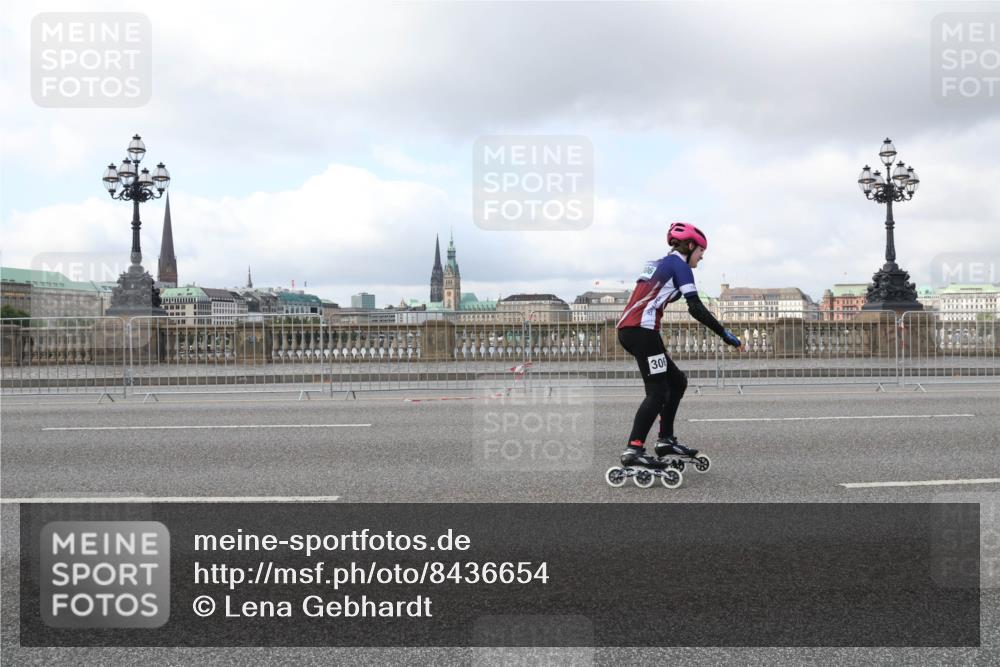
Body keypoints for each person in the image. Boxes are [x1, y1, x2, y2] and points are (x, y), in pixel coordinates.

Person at [615, 222, 743, 471]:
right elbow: (695, 307)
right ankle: (633, 449)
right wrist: (724, 334)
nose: (702, 257)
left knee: (677, 382)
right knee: (657, 392)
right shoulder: (679, 266)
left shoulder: (659, 264)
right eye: (701, 251)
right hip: (642, 332)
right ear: (691, 245)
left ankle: (665, 440)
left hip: (634, 331)